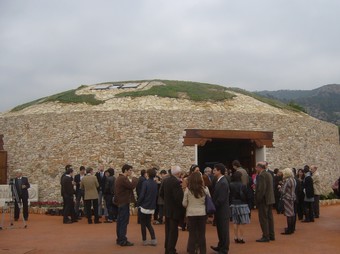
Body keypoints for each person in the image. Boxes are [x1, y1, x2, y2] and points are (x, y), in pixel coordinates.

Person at [182, 171, 210, 254]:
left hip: (191, 214)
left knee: (192, 235)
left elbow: (184, 203)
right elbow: (209, 200)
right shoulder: (205, 189)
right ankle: (203, 251)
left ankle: (192, 251)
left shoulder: (188, 190)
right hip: (202, 213)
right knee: (202, 234)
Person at [160, 165, 185, 254]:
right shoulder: (176, 182)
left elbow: (161, 193)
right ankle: (171, 250)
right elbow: (178, 198)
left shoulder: (165, 180)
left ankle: (167, 248)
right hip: (175, 210)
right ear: (178, 173)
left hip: (167, 209)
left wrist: (167, 202)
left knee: (168, 230)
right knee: (173, 232)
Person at [114, 164, 138, 247]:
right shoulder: (123, 178)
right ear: (126, 170)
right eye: (130, 170)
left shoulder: (119, 178)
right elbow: (131, 186)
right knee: (123, 222)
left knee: (120, 221)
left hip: (121, 202)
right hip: (123, 202)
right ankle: (123, 240)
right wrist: (134, 178)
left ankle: (120, 239)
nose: (131, 172)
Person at [210, 163, 230, 254]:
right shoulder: (220, 181)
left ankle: (224, 249)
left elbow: (221, 199)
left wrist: (213, 207)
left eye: (214, 170)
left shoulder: (223, 182)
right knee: (220, 230)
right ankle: (220, 246)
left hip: (222, 211)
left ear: (219, 171)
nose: (213, 172)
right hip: (220, 210)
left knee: (223, 231)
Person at [255, 162, 275, 242]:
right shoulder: (269, 174)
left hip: (264, 200)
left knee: (263, 218)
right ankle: (271, 235)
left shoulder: (262, 175)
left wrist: (258, 199)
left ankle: (265, 236)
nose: (256, 169)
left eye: (256, 167)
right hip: (270, 199)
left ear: (260, 167)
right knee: (270, 218)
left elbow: (261, 189)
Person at [137, 168, 158, 246]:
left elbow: (142, 195)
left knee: (143, 224)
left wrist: (138, 203)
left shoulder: (145, 183)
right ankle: (153, 239)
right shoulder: (155, 184)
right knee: (148, 223)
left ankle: (144, 240)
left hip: (144, 206)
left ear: (148, 174)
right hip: (151, 206)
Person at [229, 171, 250, 244]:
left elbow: (230, 195)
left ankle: (235, 236)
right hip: (242, 204)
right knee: (242, 222)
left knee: (235, 221)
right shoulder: (243, 185)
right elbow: (247, 195)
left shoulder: (230, 185)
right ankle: (241, 238)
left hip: (234, 204)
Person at [279, 168, 296, 235]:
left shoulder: (288, 180)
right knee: (292, 213)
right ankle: (291, 228)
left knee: (288, 214)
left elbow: (283, 190)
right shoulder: (293, 179)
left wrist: (280, 188)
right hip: (292, 197)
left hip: (287, 198)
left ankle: (289, 230)